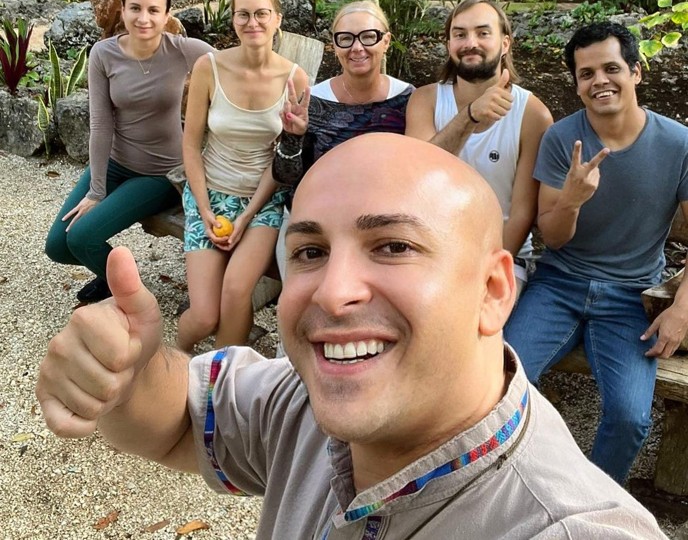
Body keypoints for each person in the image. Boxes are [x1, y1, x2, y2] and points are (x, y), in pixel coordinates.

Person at [36, 134, 667, 539]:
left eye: (392, 246)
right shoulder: (302, 401)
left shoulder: (569, 528)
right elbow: (176, 421)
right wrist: (128, 372)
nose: (333, 292)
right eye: (309, 250)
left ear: (493, 291)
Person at [505, 21, 688, 485]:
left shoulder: (677, 143)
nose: (599, 81)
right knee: (503, 385)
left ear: (636, 73)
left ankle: (591, 500)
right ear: (577, 83)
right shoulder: (564, 139)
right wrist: (571, 198)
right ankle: (514, 487)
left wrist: (681, 311)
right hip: (559, 283)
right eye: (586, 74)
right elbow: (555, 237)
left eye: (611, 68)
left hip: (631, 296)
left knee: (630, 418)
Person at [45, 0, 214, 303]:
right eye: (135, 8)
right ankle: (114, 276)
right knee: (56, 245)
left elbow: (236, 69)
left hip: (161, 174)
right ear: (122, 11)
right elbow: (101, 122)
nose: (144, 18)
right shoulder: (103, 54)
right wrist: (96, 190)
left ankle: (125, 287)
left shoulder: (185, 50)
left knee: (81, 238)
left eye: (154, 10)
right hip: (115, 165)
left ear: (167, 15)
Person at [176, 0, 309, 351]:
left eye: (262, 13)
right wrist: (203, 207)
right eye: (243, 14)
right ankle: (172, 358)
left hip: (262, 201)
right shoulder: (208, 68)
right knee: (203, 315)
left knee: (236, 291)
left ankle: (220, 383)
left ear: (277, 19)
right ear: (233, 20)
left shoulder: (294, 78)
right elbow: (191, 144)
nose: (253, 23)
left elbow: (281, 158)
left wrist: (246, 216)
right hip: (209, 194)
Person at [405, 0, 552, 287]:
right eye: (459, 34)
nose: (470, 42)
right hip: (429, 252)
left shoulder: (533, 114)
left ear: (505, 43)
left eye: (483, 33)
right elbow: (418, 176)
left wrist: (483, 271)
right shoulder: (425, 100)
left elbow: (522, 213)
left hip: (501, 257)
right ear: (449, 45)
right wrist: (470, 116)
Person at [272, 0, 413, 277]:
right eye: (346, 39)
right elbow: (285, 178)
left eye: (368, 36)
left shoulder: (409, 100)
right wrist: (292, 137)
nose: (357, 47)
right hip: (315, 224)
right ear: (335, 46)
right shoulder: (314, 101)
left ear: (386, 41)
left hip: (381, 229)